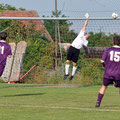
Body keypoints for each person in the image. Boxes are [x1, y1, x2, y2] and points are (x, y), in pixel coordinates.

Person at [64, 13, 90, 80]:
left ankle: (72, 75)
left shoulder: (86, 41)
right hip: (72, 47)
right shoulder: (81, 34)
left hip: (77, 50)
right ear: (85, 34)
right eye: (87, 34)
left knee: (74, 64)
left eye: (89, 35)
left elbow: (85, 48)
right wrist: (87, 18)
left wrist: (84, 46)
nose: (88, 35)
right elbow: (85, 26)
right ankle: (66, 74)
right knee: (67, 61)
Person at [95, 36, 120, 107]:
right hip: (118, 73)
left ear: (113, 42)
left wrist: (104, 65)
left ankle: (98, 102)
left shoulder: (108, 50)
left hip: (108, 72)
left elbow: (102, 61)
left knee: (104, 86)